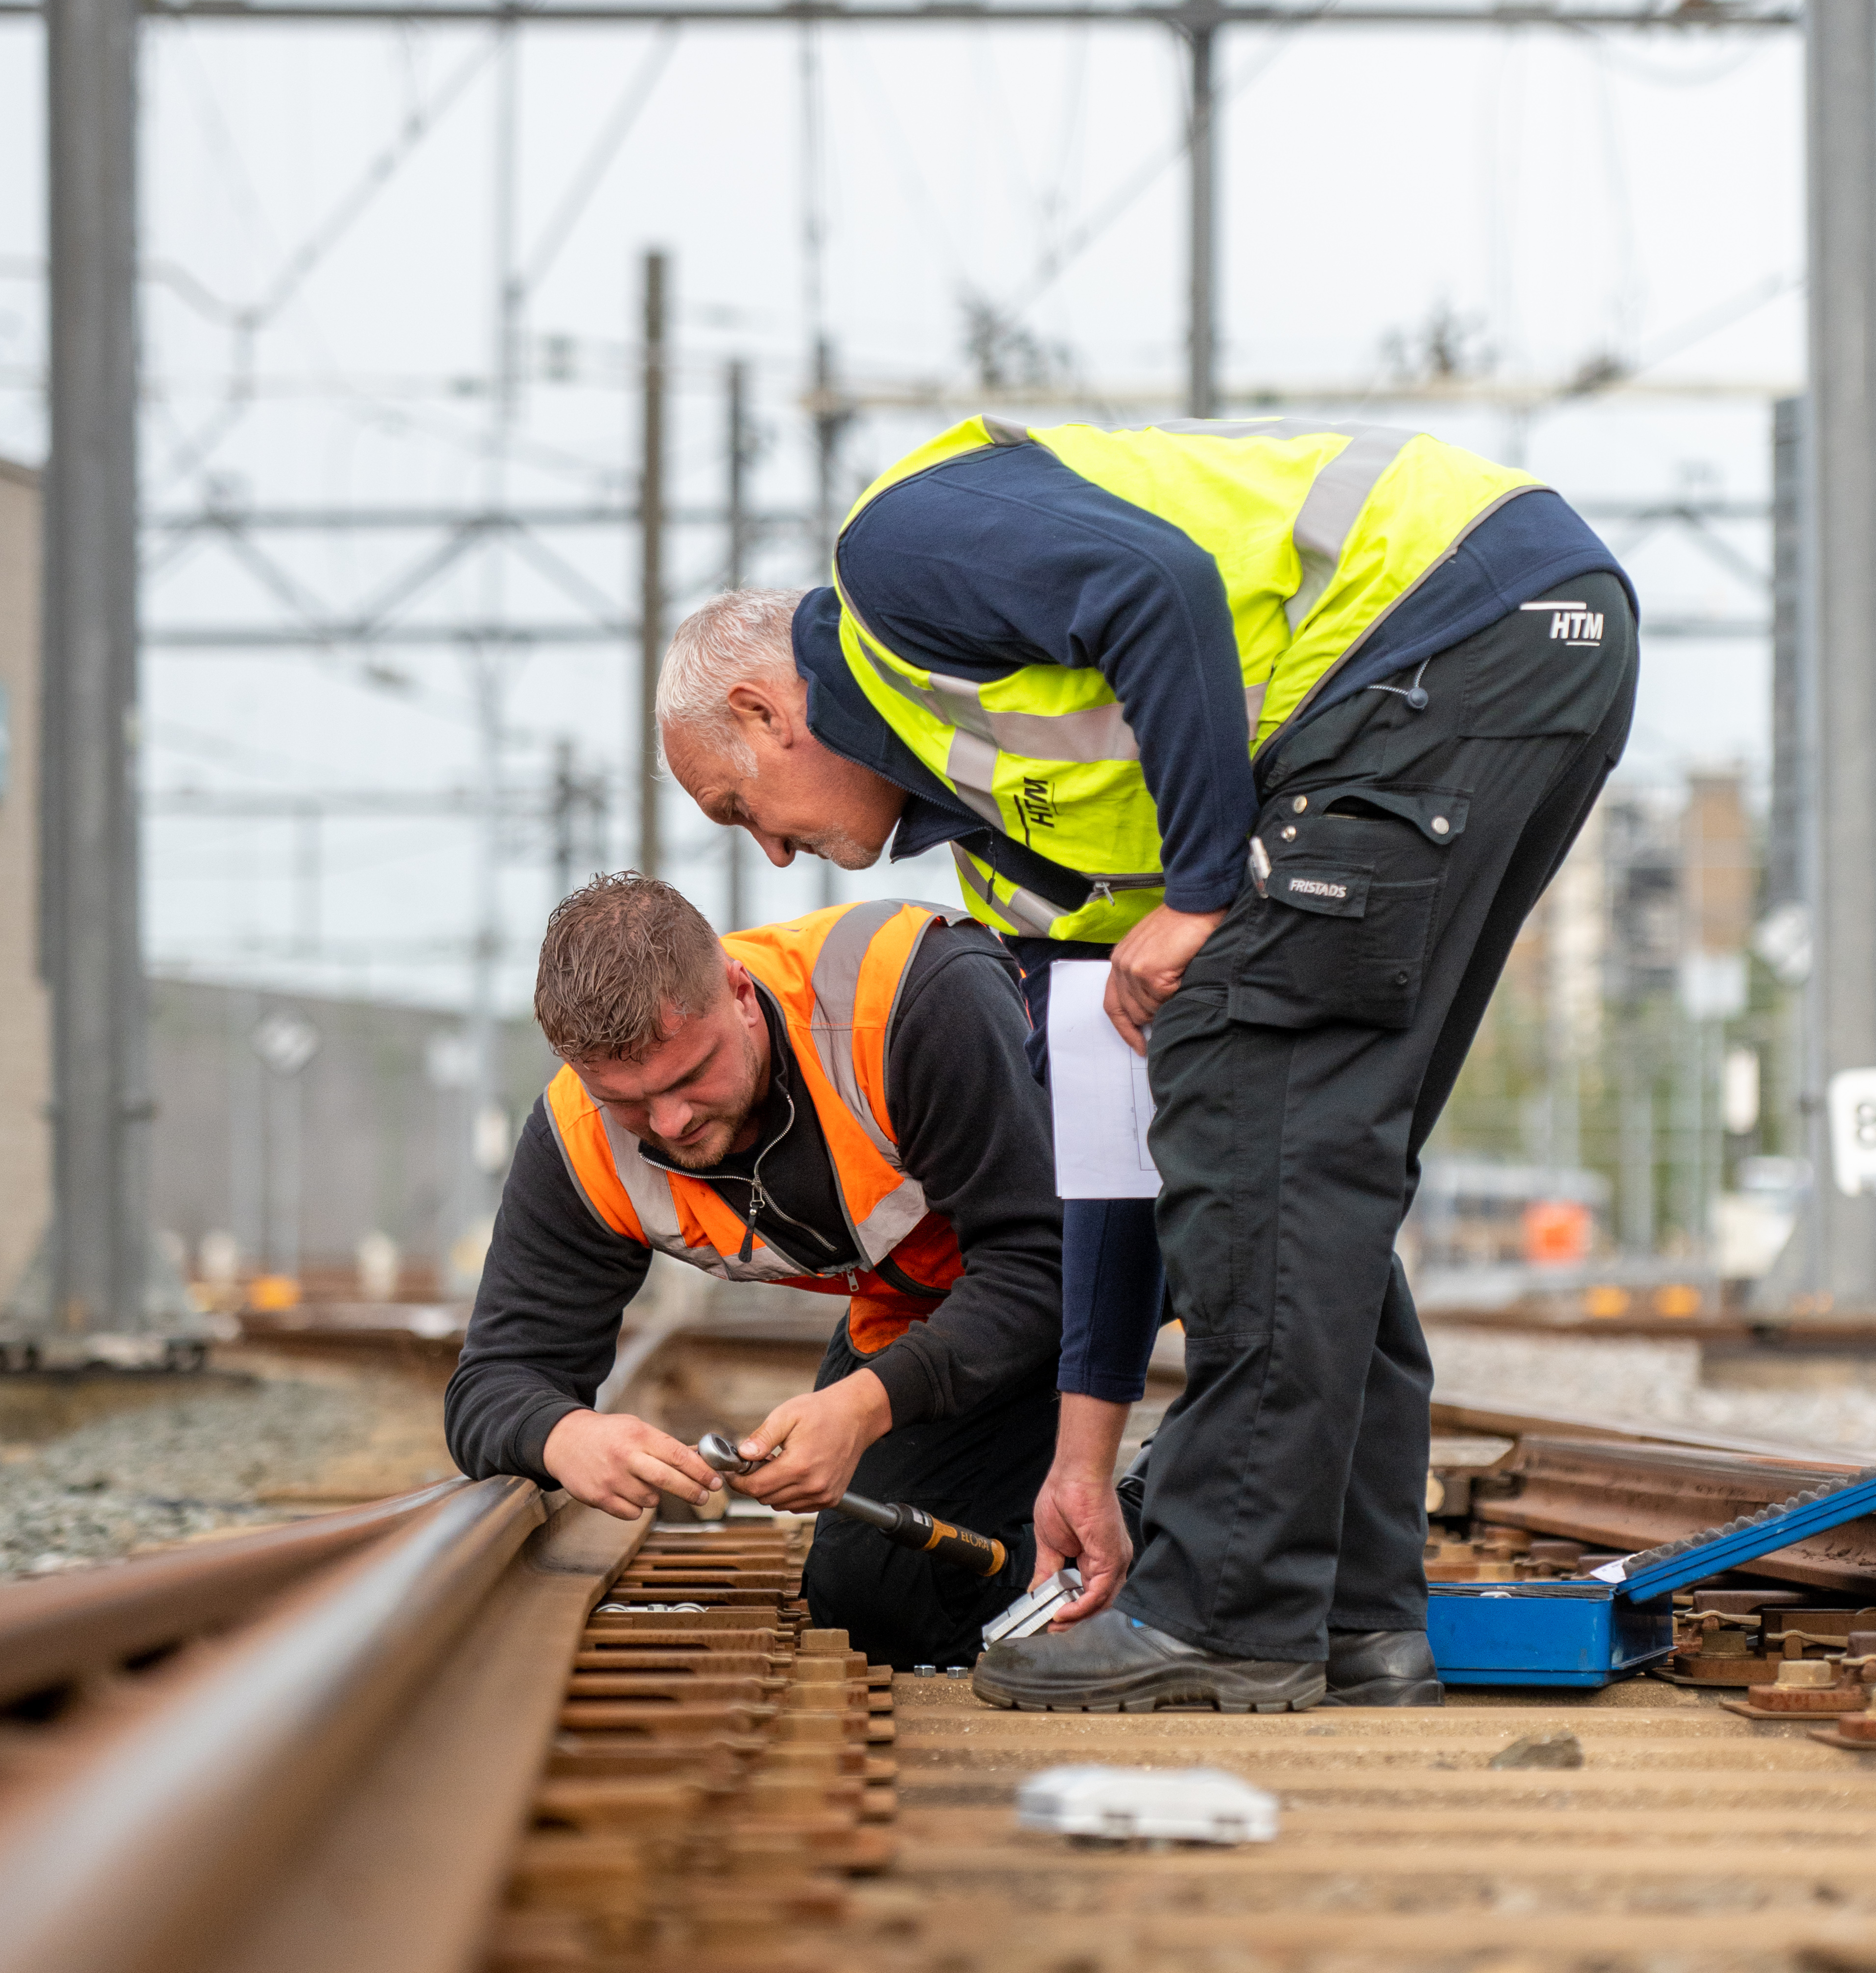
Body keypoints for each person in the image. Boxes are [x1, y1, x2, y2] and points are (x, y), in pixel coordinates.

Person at [657, 414, 1639, 1713]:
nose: (770, 860)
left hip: (1443, 631)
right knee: (1305, 1156)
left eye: (739, 808)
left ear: (761, 711)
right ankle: (1355, 1619)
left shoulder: (897, 557)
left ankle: (1231, 1613)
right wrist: (1083, 1455)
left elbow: (1156, 583)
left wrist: (1198, 886)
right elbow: (1120, 1161)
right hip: (1496, 655)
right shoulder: (1018, 851)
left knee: (1259, 1126)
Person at [445, 871, 1066, 1668]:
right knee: (875, 1602)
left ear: (740, 991)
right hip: (936, 1303)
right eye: (628, 1100)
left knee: (1229, 1508)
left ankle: (1172, 1514)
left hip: (1126, 1248)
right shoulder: (578, 1140)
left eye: (688, 1075)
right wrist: (566, 1435)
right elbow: (491, 1382)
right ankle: (1061, 1575)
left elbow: (1045, 1259)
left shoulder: (912, 1001)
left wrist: (867, 1405)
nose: (668, 1123)